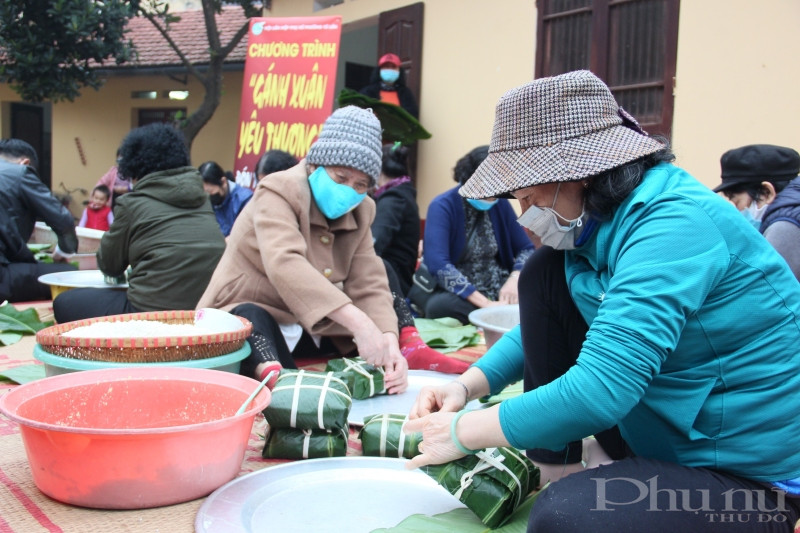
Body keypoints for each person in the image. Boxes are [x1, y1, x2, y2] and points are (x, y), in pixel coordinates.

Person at [404, 71, 800, 532]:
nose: (524, 215)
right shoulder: (595, 226)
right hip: (660, 428)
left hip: (743, 470)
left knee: (566, 519)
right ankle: (562, 461)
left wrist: (461, 433)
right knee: (543, 271)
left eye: (529, 197)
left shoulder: (676, 226)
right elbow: (546, 323)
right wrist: (468, 386)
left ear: (579, 176)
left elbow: (600, 389)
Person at [197, 106, 409, 392]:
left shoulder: (363, 209)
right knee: (246, 322)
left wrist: (387, 339)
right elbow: (285, 262)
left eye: (361, 185)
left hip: (312, 324)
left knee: (386, 276)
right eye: (341, 177)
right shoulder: (277, 190)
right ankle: (277, 380)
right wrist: (359, 322)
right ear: (314, 165)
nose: (350, 190)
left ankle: (404, 347)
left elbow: (368, 277)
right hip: (256, 312)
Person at [53, 123, 226, 322]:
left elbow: (109, 265)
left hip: (149, 314)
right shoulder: (202, 199)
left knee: (64, 303)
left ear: (134, 167)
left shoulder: (132, 204)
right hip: (204, 313)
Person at [410, 145, 534, 325]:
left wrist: (514, 280)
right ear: (470, 181)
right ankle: (495, 315)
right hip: (461, 295)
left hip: (500, 288)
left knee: (538, 294)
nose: (492, 196)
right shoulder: (443, 205)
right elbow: (439, 264)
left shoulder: (500, 204)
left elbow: (526, 248)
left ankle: (496, 315)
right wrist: (486, 305)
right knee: (439, 307)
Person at [0, 139, 78, 303]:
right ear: (25, 162)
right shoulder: (19, 173)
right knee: (70, 273)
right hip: (2, 279)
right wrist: (64, 251)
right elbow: (63, 220)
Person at [714, 144, 800, 281]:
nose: (736, 211)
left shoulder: (784, 226)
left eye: (737, 202)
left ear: (766, 193)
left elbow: (771, 288)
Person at [372, 142, 420, 294]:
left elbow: (375, 242)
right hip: (398, 276)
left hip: (390, 282)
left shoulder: (393, 199)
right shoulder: (403, 193)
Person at [199, 160, 253, 237]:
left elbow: (246, 234)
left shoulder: (244, 200)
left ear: (223, 182)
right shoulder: (208, 202)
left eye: (209, 191)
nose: (208, 195)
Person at [359, 53, 419, 119]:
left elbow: (412, 116)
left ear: (399, 71)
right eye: (386, 67)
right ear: (379, 70)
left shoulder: (405, 93)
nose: (390, 69)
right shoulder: (368, 91)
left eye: (393, 67)